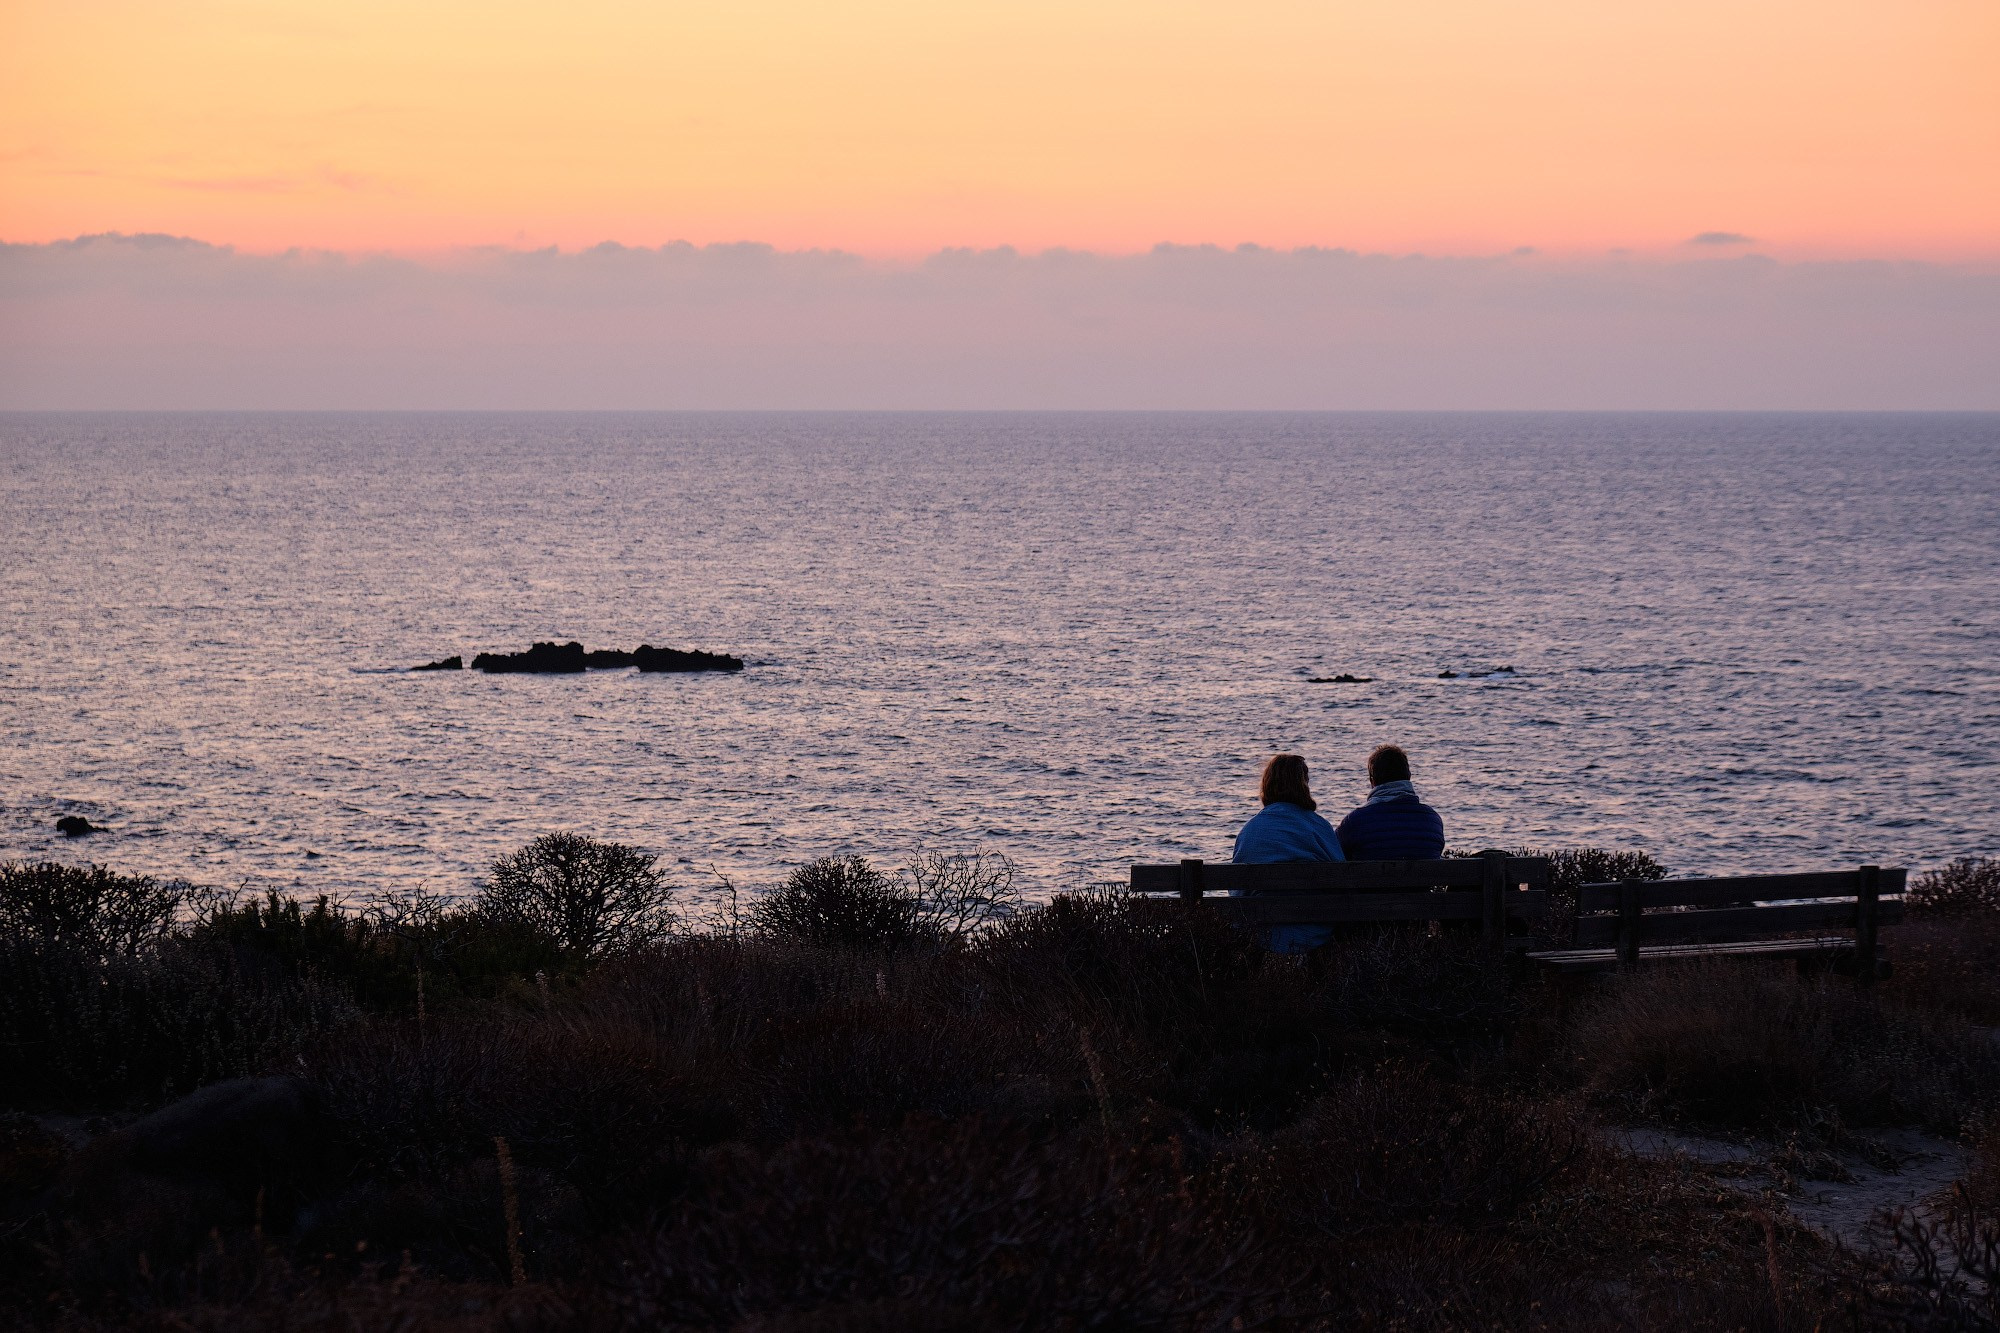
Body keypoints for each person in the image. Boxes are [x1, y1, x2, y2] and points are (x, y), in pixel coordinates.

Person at [1231, 753, 1345, 953]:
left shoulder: (1251, 830)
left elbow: (1239, 892)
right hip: (1314, 933)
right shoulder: (1319, 827)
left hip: (1263, 934)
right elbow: (1342, 880)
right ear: (1304, 785)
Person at [1335, 744, 1446, 860]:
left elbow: (1334, 856)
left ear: (1372, 781)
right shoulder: (1433, 821)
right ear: (1409, 777)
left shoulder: (1354, 822)